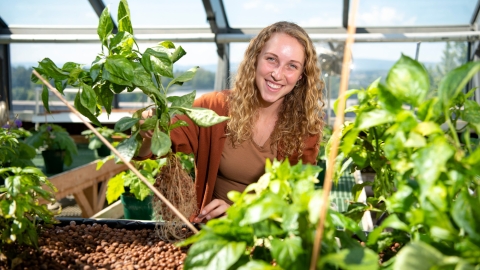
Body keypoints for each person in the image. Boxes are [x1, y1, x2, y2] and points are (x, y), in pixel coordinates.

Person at [137, 21, 324, 223]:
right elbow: (146, 150)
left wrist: (241, 211)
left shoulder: (304, 129)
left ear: (301, 76)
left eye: (292, 66)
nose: (277, 74)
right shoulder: (213, 109)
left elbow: (298, 202)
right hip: (211, 232)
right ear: (255, 59)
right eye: (271, 59)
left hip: (268, 238)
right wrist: (147, 131)